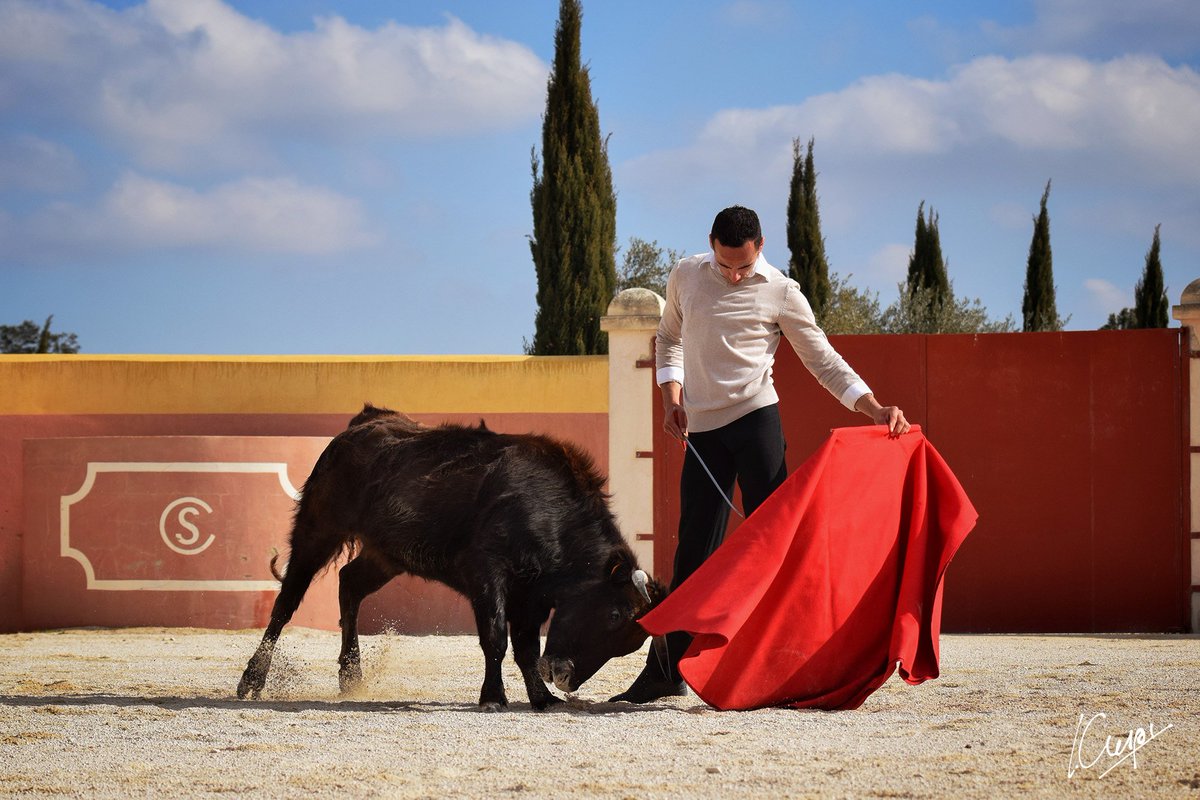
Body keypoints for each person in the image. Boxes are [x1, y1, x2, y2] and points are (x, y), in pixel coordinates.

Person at [610, 205, 911, 704]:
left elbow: (823, 361)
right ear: (711, 244)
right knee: (693, 552)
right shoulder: (686, 275)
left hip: (756, 424)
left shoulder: (782, 291)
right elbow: (667, 340)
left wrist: (874, 408)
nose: (733, 275)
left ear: (761, 246)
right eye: (726, 264)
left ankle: (788, 661)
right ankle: (667, 671)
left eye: (743, 267)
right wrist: (672, 399)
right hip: (702, 430)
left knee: (778, 548)